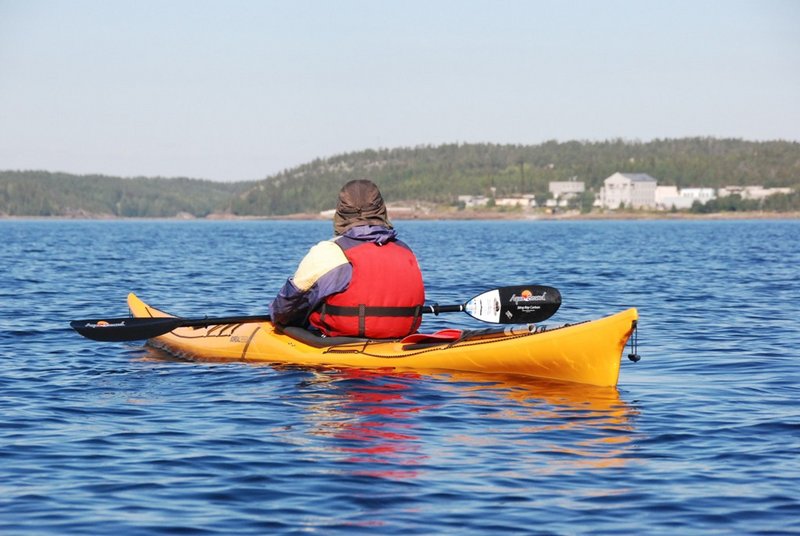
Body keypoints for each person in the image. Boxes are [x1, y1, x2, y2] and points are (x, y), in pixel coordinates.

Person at [270, 179, 425, 339]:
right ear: (382, 210)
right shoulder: (406, 251)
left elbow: (283, 310)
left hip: (337, 349)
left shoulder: (329, 252)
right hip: (401, 340)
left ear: (340, 213)